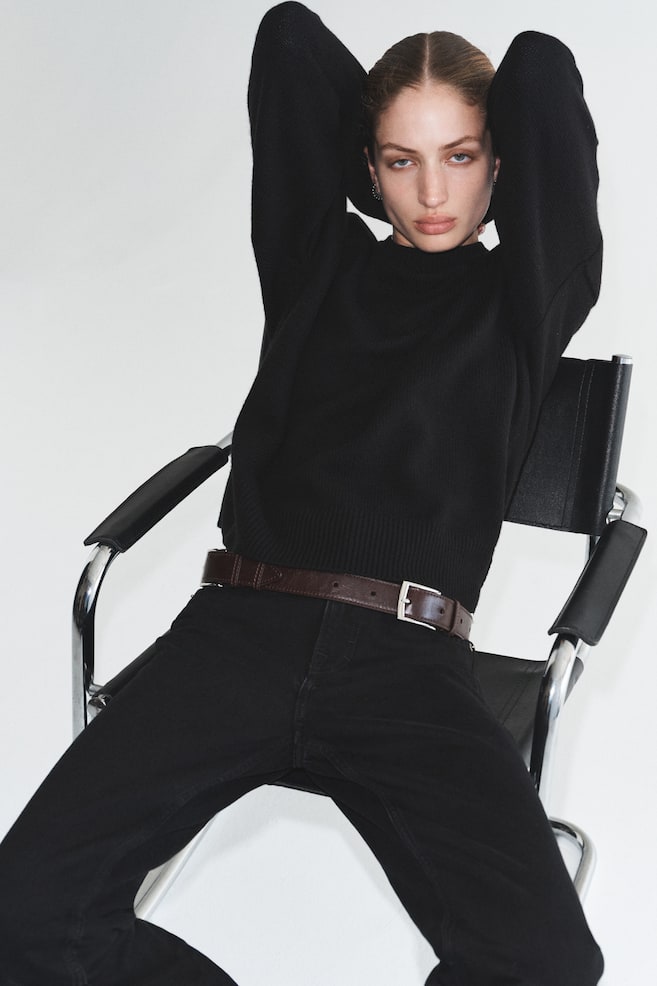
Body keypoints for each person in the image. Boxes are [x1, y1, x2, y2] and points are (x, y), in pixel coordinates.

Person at [0, 2, 605, 984]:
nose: (432, 191)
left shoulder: (526, 299)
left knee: (545, 961)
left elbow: (540, 69)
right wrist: (394, 135)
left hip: (406, 664)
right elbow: (288, 41)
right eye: (401, 161)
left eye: (459, 156)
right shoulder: (314, 261)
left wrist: (471, 127)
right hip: (238, 635)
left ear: (501, 163)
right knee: (24, 913)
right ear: (366, 167)